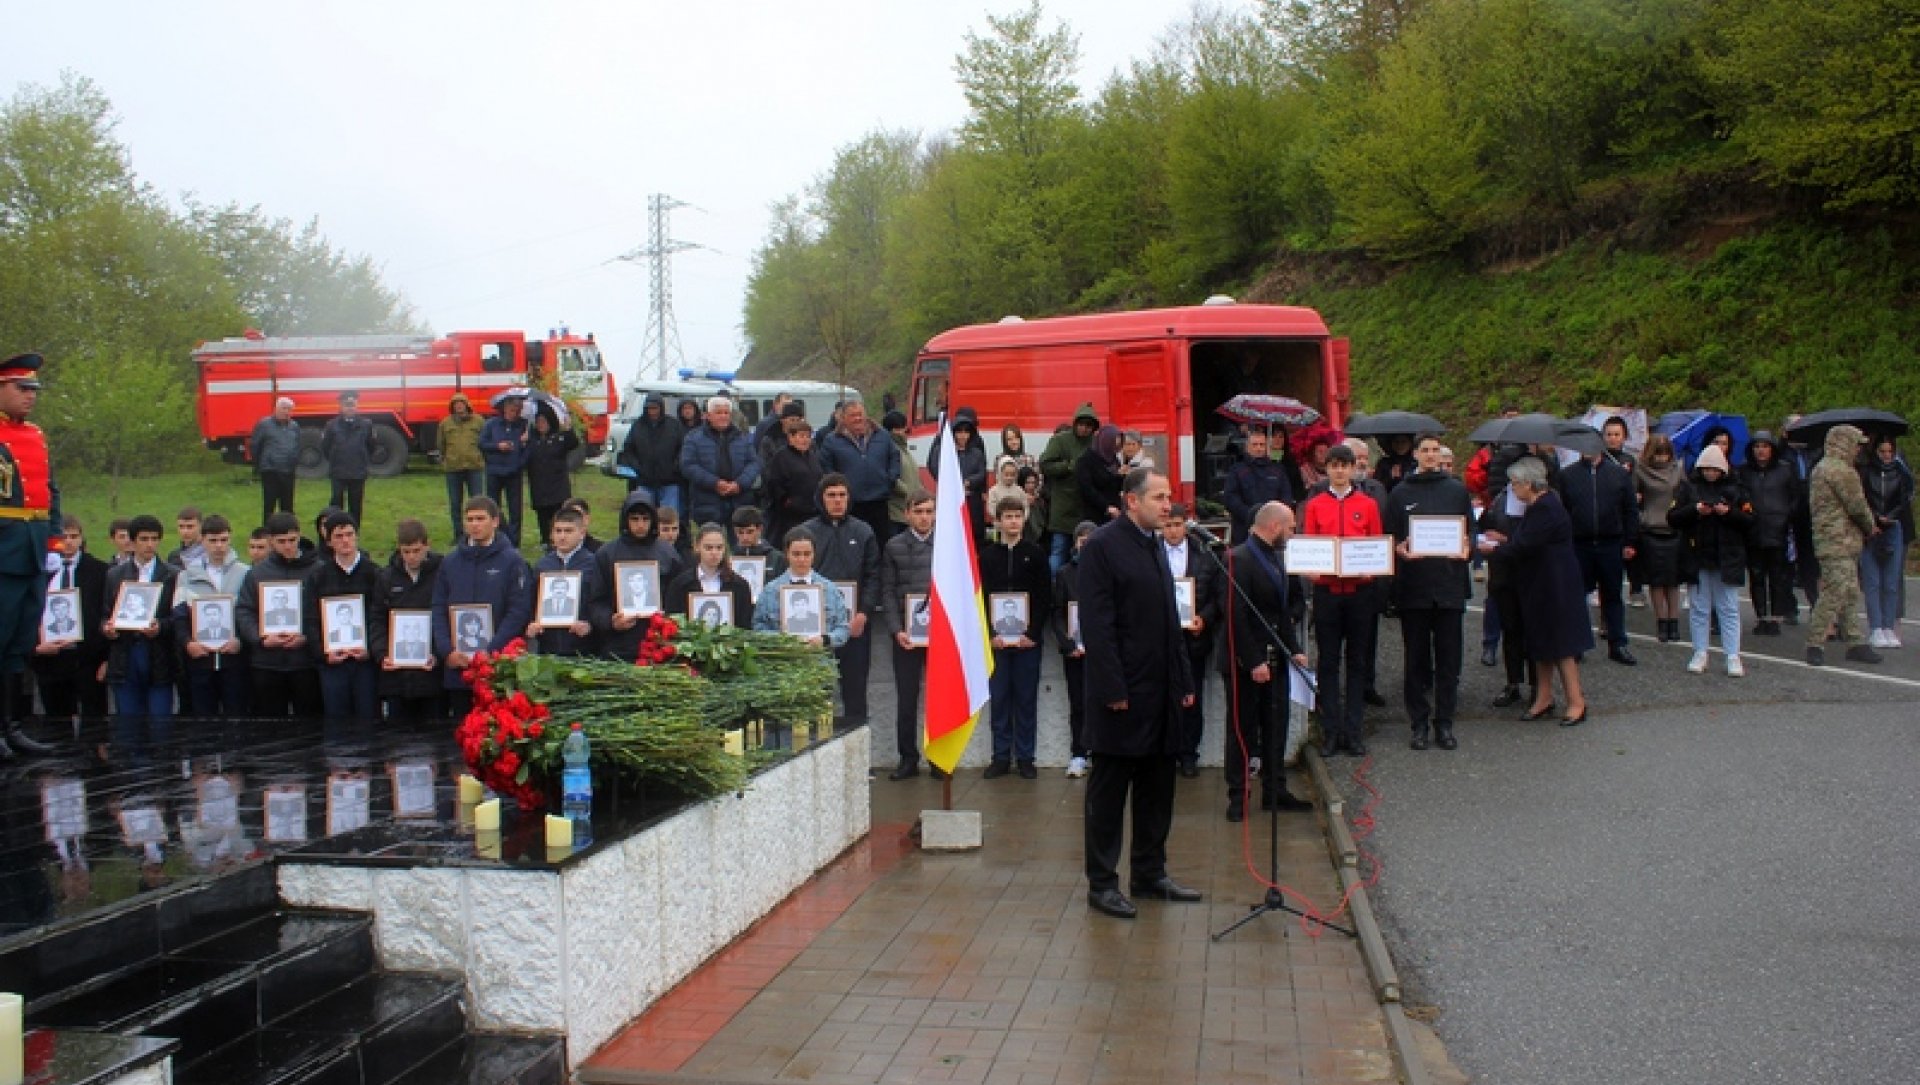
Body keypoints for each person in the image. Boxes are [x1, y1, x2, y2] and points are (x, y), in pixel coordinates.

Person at [1078, 469, 1199, 919]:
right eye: (1159, 497)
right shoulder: (1104, 548)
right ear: (1132, 501)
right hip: (1122, 694)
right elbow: (1099, 625)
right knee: (1110, 794)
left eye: (1170, 497)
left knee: (1157, 788)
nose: (1169, 505)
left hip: (1161, 691)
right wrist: (1113, 688)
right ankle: (1102, 883)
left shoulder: (1153, 545)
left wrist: (1183, 680)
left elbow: (1170, 621)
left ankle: (1150, 873)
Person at [1218, 502, 1314, 821]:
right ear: (1275, 526)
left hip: (1276, 659)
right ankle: (1238, 794)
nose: (1293, 533)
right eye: (1291, 528)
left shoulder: (1275, 556)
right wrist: (1253, 660)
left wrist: (1294, 648)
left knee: (1276, 725)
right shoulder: (1238, 558)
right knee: (1242, 730)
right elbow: (1236, 616)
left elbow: (1281, 611)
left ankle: (1275, 790)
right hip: (1247, 662)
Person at [1480, 459, 1591, 724]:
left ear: (1528, 484)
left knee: (1562, 645)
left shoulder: (1547, 508)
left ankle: (1576, 702)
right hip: (1540, 584)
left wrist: (1493, 550)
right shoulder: (1539, 506)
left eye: (1515, 483)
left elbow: (1524, 546)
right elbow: (1525, 539)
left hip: (1556, 586)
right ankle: (1544, 697)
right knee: (1539, 643)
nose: (1513, 488)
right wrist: (1506, 540)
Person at [1383, 434, 1474, 750]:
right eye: (1425, 450)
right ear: (1416, 455)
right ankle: (1418, 723)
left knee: (1449, 661)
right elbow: (1389, 536)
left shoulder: (1457, 490)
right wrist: (1399, 549)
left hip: (1449, 586)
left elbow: (1470, 533)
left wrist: (1467, 549)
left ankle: (1445, 722)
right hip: (1414, 588)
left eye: (1436, 450)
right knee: (1416, 660)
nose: (1431, 455)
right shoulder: (1400, 493)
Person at [1300, 445, 1382, 757]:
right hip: (1328, 594)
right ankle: (1332, 731)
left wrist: (1369, 571)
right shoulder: (1316, 504)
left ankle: (1354, 730)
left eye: (1344, 466)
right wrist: (1315, 573)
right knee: (1329, 663)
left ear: (1352, 469)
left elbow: (1377, 545)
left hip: (1360, 593)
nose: (1339, 471)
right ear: (1327, 469)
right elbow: (1310, 545)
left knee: (1358, 663)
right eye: (1333, 466)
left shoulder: (1368, 504)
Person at [0, 353, 60, 759]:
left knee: (18, 645)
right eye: (21, 389)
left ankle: (10, 725)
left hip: (32, 551)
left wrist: (52, 543)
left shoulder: (35, 435)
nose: (30, 397)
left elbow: (50, 491)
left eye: (33, 390)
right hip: (3, 550)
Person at [432, 497, 532, 714]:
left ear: (495, 521)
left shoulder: (513, 561)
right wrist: (446, 650)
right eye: (469, 519)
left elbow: (518, 611)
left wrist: (491, 650)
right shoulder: (450, 563)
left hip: (497, 668)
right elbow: (438, 608)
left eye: (480, 518)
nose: (474, 524)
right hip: (458, 668)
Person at [802, 474, 882, 728]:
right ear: (821, 498)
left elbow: (873, 576)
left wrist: (864, 613)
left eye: (842, 495)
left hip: (854, 627)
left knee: (855, 693)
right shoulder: (807, 533)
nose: (837, 501)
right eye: (831, 495)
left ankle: (857, 758)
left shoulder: (863, 531)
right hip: (817, 630)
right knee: (816, 694)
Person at [979, 498, 1051, 780]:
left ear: (1024, 519)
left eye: (1017, 516)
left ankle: (1025, 757)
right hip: (996, 643)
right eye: (1007, 516)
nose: (1012, 521)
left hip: (1027, 643)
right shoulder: (987, 556)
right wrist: (990, 635)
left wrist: (1031, 634)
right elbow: (981, 599)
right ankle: (1000, 757)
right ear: (997, 521)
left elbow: (1044, 596)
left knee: (1025, 698)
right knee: (999, 698)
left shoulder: (1036, 554)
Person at [1670, 446, 1751, 677]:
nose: (1710, 474)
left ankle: (1732, 655)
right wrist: (1695, 510)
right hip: (1698, 555)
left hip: (1727, 556)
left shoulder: (1736, 489)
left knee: (1729, 608)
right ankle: (1700, 652)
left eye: (1715, 470)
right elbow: (1673, 517)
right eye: (1706, 469)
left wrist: (1729, 513)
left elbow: (1750, 519)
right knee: (1699, 607)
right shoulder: (1689, 488)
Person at [1557, 443, 1640, 666]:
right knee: (1576, 596)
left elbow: (1630, 509)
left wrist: (1630, 541)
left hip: (1611, 543)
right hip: (1579, 543)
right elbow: (1561, 510)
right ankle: (1577, 643)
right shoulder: (1567, 475)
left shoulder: (1618, 475)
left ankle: (1617, 643)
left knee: (1612, 595)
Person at [102, 515, 177, 759]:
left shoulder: (172, 575)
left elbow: (179, 618)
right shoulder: (115, 575)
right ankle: (133, 780)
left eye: (154, 539)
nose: (150, 545)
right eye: (144, 539)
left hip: (157, 654)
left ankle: (160, 780)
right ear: (132, 543)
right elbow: (104, 615)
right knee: (129, 723)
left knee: (160, 722)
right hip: (126, 653)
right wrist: (107, 628)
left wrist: (161, 627)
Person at [1804, 425, 1879, 666]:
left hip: (1830, 539)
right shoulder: (1841, 471)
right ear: (1844, 443)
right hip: (1839, 539)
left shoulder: (1821, 468)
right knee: (1834, 592)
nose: (1859, 449)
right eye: (1856, 443)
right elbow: (1856, 505)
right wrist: (1871, 526)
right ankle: (1815, 642)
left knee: (1848, 591)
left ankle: (1855, 642)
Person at [237, 512, 323, 717]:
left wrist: (308, 638)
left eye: (292, 540)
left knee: (309, 724)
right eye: (281, 541)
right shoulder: (257, 573)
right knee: (270, 726)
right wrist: (260, 638)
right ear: (271, 541)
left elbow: (325, 613)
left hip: (305, 662)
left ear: (300, 536)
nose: (288, 546)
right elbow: (244, 610)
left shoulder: (318, 570)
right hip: (267, 663)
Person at [305, 512, 385, 721]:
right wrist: (323, 653)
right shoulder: (318, 577)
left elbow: (381, 617)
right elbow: (311, 620)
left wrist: (372, 650)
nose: (345, 540)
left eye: (349, 534)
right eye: (339, 536)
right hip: (333, 664)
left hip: (366, 663)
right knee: (336, 721)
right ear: (329, 541)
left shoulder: (375, 574)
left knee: (369, 718)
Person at [878, 491, 935, 779]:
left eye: (929, 511)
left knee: (939, 699)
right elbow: (886, 592)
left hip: (940, 637)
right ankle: (908, 759)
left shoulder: (947, 544)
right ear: (908, 514)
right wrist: (896, 630)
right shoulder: (894, 546)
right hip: (906, 636)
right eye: (919, 511)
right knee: (907, 698)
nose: (925, 517)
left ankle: (939, 758)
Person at [33, 516, 111, 725]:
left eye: (73, 536)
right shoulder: (40, 570)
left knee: (94, 722)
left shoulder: (100, 571)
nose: (67, 541)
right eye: (62, 537)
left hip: (87, 658)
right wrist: (36, 646)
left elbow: (106, 613)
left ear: (81, 538)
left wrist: (107, 657)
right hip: (51, 659)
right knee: (56, 722)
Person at [590, 489, 683, 662]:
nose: (640, 525)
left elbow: (678, 598)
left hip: (659, 643)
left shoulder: (668, 553)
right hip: (618, 644)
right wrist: (611, 621)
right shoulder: (606, 554)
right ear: (625, 520)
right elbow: (595, 601)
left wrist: (668, 620)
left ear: (653, 520)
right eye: (634, 519)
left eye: (645, 519)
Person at [1160, 509, 1220, 777]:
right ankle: (1164, 751)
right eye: (1168, 525)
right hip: (1159, 639)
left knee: (1191, 696)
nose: (1173, 531)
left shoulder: (1204, 555)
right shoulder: (1151, 553)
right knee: (1160, 697)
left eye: (1177, 525)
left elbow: (1215, 597)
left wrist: (1203, 619)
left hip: (1193, 637)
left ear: (1186, 525)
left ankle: (1188, 754)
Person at [172, 514, 250, 716]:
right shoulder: (186, 576)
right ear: (202, 540)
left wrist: (240, 641)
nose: (219, 546)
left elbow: (249, 614)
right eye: (213, 540)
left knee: (236, 718)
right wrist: (188, 643)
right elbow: (179, 616)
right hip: (200, 660)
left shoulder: (245, 573)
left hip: (233, 660)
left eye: (224, 540)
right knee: (203, 720)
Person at [378, 518, 443, 724]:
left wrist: (438, 653)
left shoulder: (442, 573)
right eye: (406, 551)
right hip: (397, 676)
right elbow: (377, 619)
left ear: (427, 545)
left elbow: (446, 618)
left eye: (416, 550)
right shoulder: (386, 577)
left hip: (432, 674)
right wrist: (382, 654)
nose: (412, 557)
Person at [1737, 431, 1801, 637]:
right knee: (1756, 575)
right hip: (1753, 529)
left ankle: (1775, 616)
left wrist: (1786, 515)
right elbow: (1740, 496)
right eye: (1757, 447)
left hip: (1778, 529)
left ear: (1772, 448)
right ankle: (1761, 616)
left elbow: (1796, 496)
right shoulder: (1744, 472)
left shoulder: (1785, 470)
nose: (1761, 451)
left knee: (1778, 576)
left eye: (1765, 446)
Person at [1050, 521, 1098, 779]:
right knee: (1078, 704)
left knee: (1102, 703)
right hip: (1075, 652)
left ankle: (1100, 752)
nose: (1086, 543)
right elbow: (1057, 612)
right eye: (1082, 539)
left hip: (1101, 653)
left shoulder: (1107, 571)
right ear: (1075, 542)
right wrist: (1068, 643)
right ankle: (1078, 754)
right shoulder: (1065, 573)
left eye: (1091, 539)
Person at [818, 401, 901, 545]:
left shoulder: (882, 435)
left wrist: (890, 479)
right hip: (851, 503)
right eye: (852, 415)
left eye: (860, 414)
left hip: (879, 500)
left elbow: (894, 457)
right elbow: (826, 468)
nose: (857, 419)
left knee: (881, 541)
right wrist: (840, 490)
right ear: (843, 418)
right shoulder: (831, 441)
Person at [752, 529, 852, 648]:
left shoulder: (830, 589)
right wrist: (781, 639)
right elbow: (758, 627)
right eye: (796, 554)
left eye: (807, 554)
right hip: (782, 660)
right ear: (787, 554)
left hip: (821, 660)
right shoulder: (770, 590)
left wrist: (825, 640)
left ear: (814, 555)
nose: (802, 559)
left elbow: (843, 628)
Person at [1633, 436, 1689, 643]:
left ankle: (1674, 620)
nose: (1661, 457)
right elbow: (1632, 498)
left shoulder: (1678, 469)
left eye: (1665, 452)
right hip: (1651, 529)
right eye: (1658, 452)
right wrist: (1641, 516)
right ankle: (1661, 621)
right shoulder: (1640, 470)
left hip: (1674, 528)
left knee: (1673, 581)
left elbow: (1686, 495)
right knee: (1656, 580)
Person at [1859, 436, 1913, 649]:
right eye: (1883, 451)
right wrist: (1874, 517)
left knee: (1891, 582)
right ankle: (1876, 627)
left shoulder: (1900, 473)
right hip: (1871, 527)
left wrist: (1890, 515)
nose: (1887, 456)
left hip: (1894, 526)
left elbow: (1905, 498)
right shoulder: (1866, 472)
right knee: (1873, 582)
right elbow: (1861, 499)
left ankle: (1889, 626)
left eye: (1890, 452)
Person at [528, 507, 600, 657]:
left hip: (583, 649)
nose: (562, 536)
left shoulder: (593, 564)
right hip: (547, 648)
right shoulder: (542, 566)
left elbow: (601, 603)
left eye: (568, 531)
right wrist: (531, 623)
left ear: (581, 533)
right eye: (558, 531)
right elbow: (530, 602)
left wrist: (590, 625)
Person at [681, 396, 761, 531]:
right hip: (707, 501)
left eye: (726, 413)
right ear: (708, 416)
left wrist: (739, 484)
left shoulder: (742, 437)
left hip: (739, 501)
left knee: (740, 546)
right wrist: (715, 483)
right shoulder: (693, 438)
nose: (723, 416)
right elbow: (688, 465)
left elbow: (754, 463)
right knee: (711, 544)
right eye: (719, 413)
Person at [1038, 403, 1099, 572]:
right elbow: (1045, 464)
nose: (1084, 429)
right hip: (1063, 508)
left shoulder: (1095, 444)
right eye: (1081, 424)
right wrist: (1069, 467)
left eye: (1089, 425)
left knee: (1088, 554)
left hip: (1086, 507)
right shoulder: (1060, 440)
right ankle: (1055, 589)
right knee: (1059, 551)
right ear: (1075, 423)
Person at [618, 394, 686, 514]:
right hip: (645, 481)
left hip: (670, 481)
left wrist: (675, 467)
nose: (652, 412)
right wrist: (638, 467)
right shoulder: (638, 426)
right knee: (645, 514)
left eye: (655, 408)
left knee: (669, 516)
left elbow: (683, 449)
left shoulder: (673, 425)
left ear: (661, 408)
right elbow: (628, 450)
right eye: (649, 408)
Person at [762, 415, 824, 546]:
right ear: (791, 438)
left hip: (812, 511)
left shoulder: (812, 456)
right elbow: (774, 483)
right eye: (801, 436)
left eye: (808, 436)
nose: (805, 440)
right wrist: (787, 501)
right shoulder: (781, 457)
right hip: (789, 516)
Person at [1222, 430, 1292, 544]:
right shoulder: (1237, 470)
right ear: (1247, 447)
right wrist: (1251, 515)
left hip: (1274, 529)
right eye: (1254, 445)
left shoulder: (1278, 470)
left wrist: (1275, 516)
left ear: (1267, 447)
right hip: (1244, 531)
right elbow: (1230, 498)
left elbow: (1286, 496)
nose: (1258, 448)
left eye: (1262, 445)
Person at [524, 404, 580, 544]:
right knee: (542, 515)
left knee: (559, 514)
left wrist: (568, 429)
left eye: (543, 421)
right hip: (538, 485)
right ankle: (546, 541)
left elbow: (573, 443)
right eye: (538, 422)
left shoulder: (559, 438)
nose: (541, 425)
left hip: (557, 485)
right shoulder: (531, 441)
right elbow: (524, 460)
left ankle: (561, 539)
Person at [932, 408, 989, 543]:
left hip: (972, 499)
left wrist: (969, 482)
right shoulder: (944, 451)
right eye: (959, 432)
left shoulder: (976, 453)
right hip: (951, 499)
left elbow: (982, 472)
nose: (963, 436)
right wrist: (951, 482)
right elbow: (934, 467)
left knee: (974, 533)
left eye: (966, 432)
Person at [480, 397, 530, 548]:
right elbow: (482, 443)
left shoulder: (524, 426)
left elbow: (528, 450)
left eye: (518, 410)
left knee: (516, 509)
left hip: (513, 472)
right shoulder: (491, 424)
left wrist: (520, 462)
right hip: (494, 471)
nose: (515, 413)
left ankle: (514, 542)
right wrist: (497, 446)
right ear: (505, 409)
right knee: (493, 507)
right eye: (512, 410)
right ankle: (499, 536)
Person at [320, 392, 375, 527]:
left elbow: (371, 446)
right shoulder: (331, 425)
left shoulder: (366, 424)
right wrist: (335, 459)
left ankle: (354, 530)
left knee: (356, 504)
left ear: (357, 406)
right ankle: (335, 528)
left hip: (358, 471)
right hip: (338, 470)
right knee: (336, 502)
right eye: (347, 405)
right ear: (341, 406)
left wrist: (362, 460)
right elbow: (325, 447)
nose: (350, 408)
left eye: (352, 405)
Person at [437, 393, 486, 541]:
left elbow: (484, 441)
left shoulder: (479, 421)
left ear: (467, 405)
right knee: (455, 503)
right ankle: (458, 535)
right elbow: (441, 444)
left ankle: (479, 532)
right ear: (452, 407)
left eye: (461, 403)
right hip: (453, 468)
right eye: (456, 404)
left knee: (478, 502)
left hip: (474, 467)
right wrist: (445, 458)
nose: (459, 406)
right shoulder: (445, 423)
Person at [250, 396, 301, 525]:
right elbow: (255, 445)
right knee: (269, 503)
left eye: (289, 409)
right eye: (284, 408)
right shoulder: (264, 424)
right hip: (270, 470)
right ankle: (267, 531)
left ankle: (287, 529)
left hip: (288, 470)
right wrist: (259, 464)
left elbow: (297, 445)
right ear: (276, 409)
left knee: (287, 504)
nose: (286, 412)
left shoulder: (294, 426)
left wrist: (294, 461)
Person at [1076, 424, 1125, 527]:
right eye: (1114, 442)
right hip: (1094, 516)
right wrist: (1106, 507)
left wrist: (1121, 476)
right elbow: (1087, 489)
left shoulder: (1114, 461)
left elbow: (1115, 487)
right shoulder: (1086, 460)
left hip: (1114, 515)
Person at [883, 411, 920, 538]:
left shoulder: (905, 450)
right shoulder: (888, 449)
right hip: (896, 512)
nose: (905, 431)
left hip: (909, 508)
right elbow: (890, 477)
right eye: (902, 428)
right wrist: (907, 492)